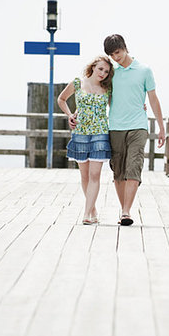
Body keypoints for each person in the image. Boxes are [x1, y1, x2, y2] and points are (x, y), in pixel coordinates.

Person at [103, 34, 165, 226]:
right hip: (115, 127)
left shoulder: (144, 70)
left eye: (117, 52)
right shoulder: (110, 73)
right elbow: (98, 94)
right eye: (111, 55)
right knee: (118, 171)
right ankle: (124, 211)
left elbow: (153, 99)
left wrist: (162, 127)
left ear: (125, 48)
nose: (115, 57)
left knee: (134, 167)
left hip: (138, 126)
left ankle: (126, 211)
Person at [58, 55, 113, 225]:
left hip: (100, 134)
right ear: (93, 66)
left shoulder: (108, 88)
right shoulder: (77, 83)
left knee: (95, 174)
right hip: (80, 133)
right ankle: (93, 210)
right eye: (101, 69)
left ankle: (86, 213)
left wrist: (140, 105)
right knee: (85, 176)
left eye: (106, 71)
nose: (103, 73)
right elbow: (61, 99)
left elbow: (119, 106)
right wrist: (69, 115)